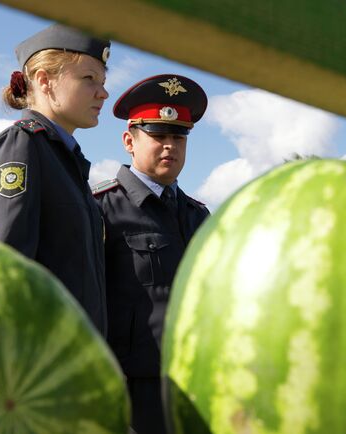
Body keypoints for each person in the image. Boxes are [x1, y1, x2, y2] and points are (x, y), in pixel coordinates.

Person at [92, 74, 210, 433]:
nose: (169, 147)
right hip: (131, 392)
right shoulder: (99, 208)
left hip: (194, 382)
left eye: (178, 137)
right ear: (129, 141)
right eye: (158, 136)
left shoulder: (197, 215)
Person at [0, 24, 110, 335]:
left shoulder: (64, 157)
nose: (103, 92)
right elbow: (5, 268)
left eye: (103, 81)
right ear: (44, 81)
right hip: (43, 361)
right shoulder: (22, 145)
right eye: (88, 78)